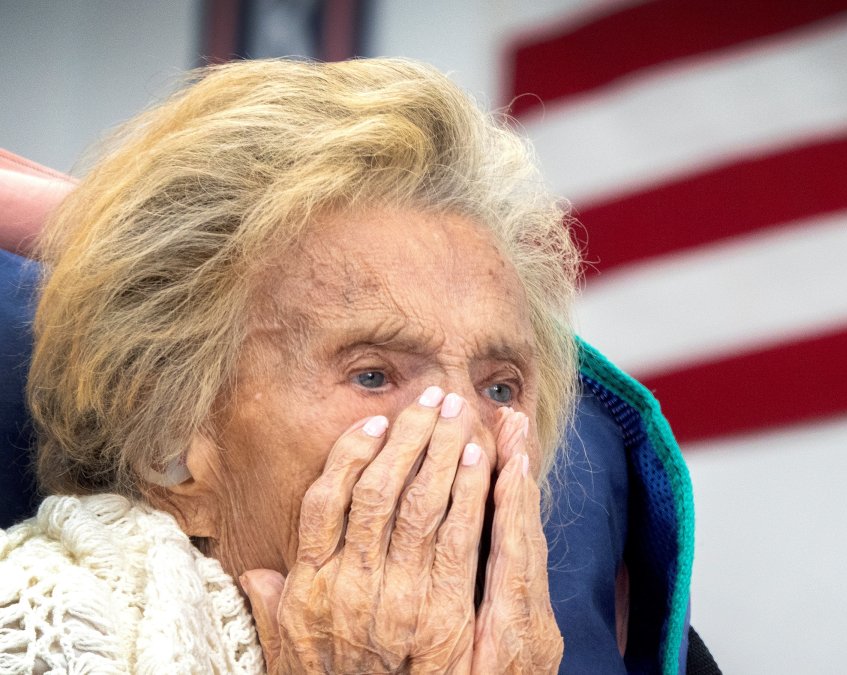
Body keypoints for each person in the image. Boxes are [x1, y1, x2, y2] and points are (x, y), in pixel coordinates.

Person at [0, 58, 704, 673]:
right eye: (374, 373)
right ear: (170, 446)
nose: (466, 440)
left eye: (499, 386)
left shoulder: (585, 642)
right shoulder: (37, 634)